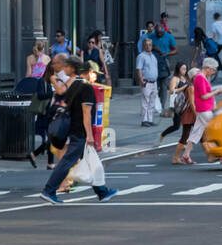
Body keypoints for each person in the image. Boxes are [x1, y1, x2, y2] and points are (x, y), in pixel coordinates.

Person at [40, 57, 118, 204]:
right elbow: (86, 113)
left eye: (67, 68)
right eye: (94, 73)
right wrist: (89, 135)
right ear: (87, 72)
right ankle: (49, 190)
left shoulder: (73, 86)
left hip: (72, 129)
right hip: (80, 132)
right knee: (67, 161)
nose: (95, 76)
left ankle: (102, 192)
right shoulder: (86, 88)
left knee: (91, 161)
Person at [188, 57, 222, 164]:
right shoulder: (201, 78)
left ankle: (186, 155)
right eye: (213, 70)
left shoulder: (201, 77)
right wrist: (216, 92)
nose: (213, 73)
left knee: (196, 133)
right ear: (208, 68)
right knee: (215, 131)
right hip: (204, 109)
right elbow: (204, 96)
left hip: (204, 109)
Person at [158, 62, 192, 161]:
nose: (184, 71)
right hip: (178, 105)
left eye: (185, 69)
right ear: (178, 69)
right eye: (182, 69)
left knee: (187, 125)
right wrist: (183, 87)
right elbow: (172, 91)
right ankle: (162, 134)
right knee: (176, 126)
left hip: (186, 105)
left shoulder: (186, 79)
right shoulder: (175, 79)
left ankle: (183, 143)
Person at [135, 37, 160, 127]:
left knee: (152, 102)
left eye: (150, 45)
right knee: (145, 102)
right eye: (146, 45)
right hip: (146, 81)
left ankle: (150, 119)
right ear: (143, 46)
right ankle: (144, 120)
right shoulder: (141, 56)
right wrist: (141, 80)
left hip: (154, 82)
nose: (148, 46)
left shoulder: (153, 56)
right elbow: (139, 69)